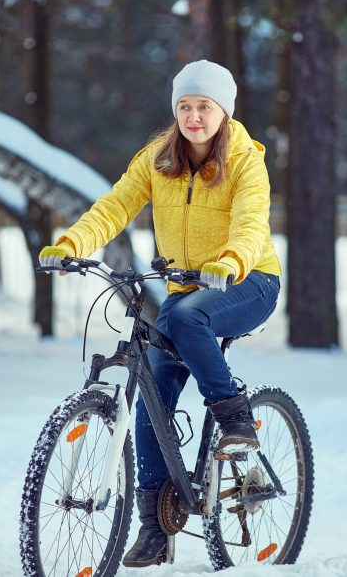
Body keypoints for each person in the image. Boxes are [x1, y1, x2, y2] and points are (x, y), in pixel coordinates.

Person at [38, 59, 282, 568]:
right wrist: (72, 244)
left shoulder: (243, 159)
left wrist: (232, 261)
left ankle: (235, 416)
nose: (194, 116)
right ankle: (155, 525)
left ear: (223, 112)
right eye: (185, 107)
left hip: (248, 279)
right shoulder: (158, 157)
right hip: (185, 288)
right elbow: (113, 207)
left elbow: (251, 222)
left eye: (205, 107)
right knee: (150, 396)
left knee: (188, 318)